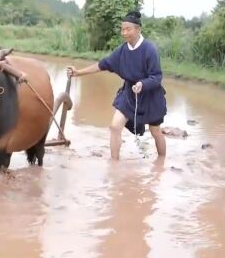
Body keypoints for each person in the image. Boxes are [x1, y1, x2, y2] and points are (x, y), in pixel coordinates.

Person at [67, 11, 167, 160]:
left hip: (150, 96)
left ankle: (161, 163)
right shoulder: (122, 50)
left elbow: (157, 77)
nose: (124, 33)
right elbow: (103, 64)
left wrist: (142, 84)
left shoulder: (149, 49)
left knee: (155, 132)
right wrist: (78, 73)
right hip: (129, 94)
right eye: (122, 29)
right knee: (115, 126)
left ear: (138, 29)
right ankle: (114, 164)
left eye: (128, 29)